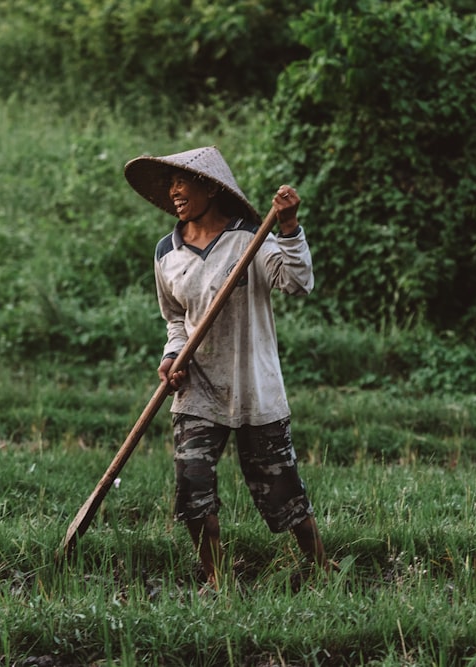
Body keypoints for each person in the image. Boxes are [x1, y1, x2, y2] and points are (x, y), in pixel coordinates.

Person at [123, 146, 329, 592]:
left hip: (254, 386)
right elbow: (176, 320)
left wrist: (289, 227)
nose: (175, 191)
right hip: (198, 389)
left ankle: (320, 567)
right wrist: (170, 357)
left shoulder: (249, 238)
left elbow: (298, 282)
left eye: (185, 181)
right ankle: (218, 580)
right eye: (171, 185)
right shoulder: (166, 253)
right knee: (192, 487)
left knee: (282, 491)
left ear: (212, 187)